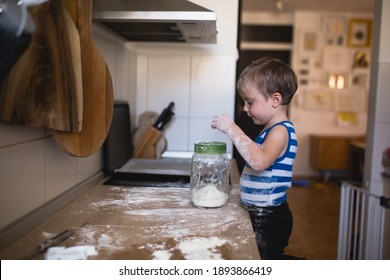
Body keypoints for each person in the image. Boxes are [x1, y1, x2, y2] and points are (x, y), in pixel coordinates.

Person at [211, 57, 299, 260]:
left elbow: (259, 161)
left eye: (250, 102)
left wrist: (232, 129)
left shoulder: (280, 131)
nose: (244, 108)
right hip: (260, 214)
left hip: (270, 220)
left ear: (275, 100)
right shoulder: (269, 130)